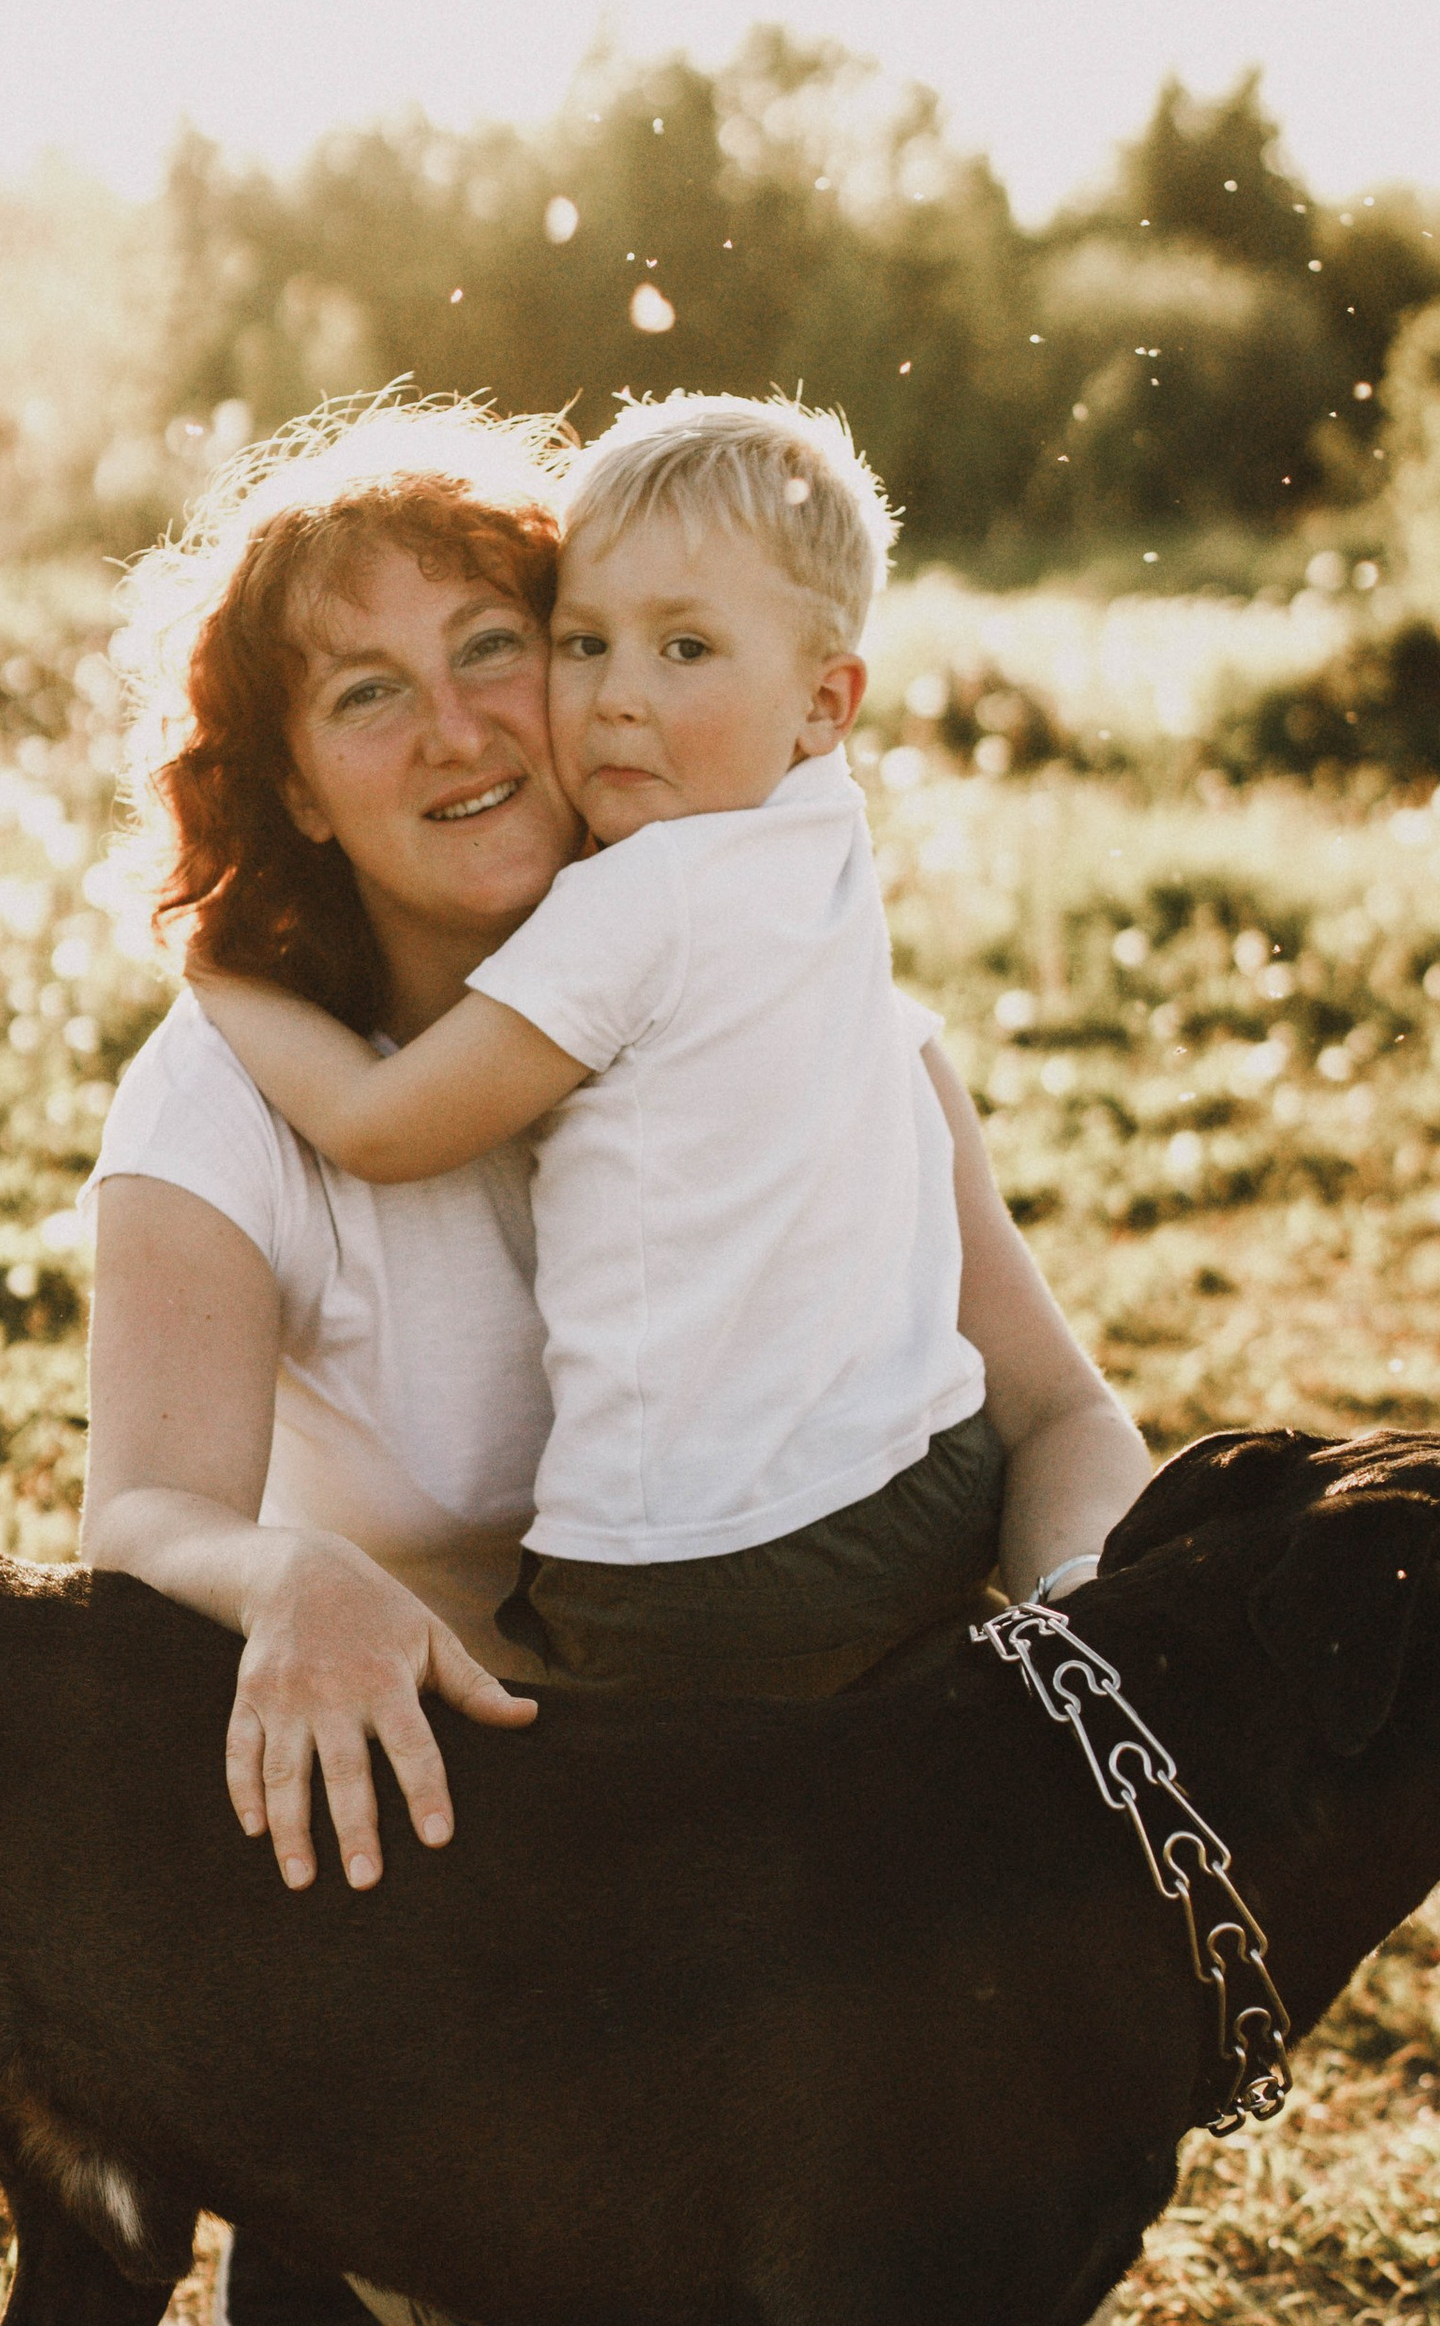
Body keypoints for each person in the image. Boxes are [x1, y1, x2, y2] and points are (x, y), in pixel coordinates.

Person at [81, 394, 1151, 2326]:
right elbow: (135, 1520)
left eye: (501, 644)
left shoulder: (803, 1035)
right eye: (368, 694)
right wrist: (288, 1581)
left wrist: (1090, 1616)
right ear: (297, 786)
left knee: (969, 2297)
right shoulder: (226, 1106)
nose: (471, 726)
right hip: (474, 1812)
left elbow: (1058, 1418)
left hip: (787, 1768)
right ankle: (298, 2195)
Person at [186, 394, 1000, 1705]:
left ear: (823, 700)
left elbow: (382, 1125)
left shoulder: (637, 899)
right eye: (586, 643)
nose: (620, 699)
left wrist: (223, 981)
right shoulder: (821, 834)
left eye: (685, 649)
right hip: (935, 1478)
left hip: (691, 1571)